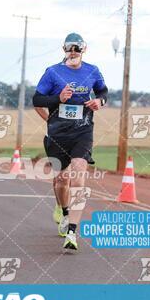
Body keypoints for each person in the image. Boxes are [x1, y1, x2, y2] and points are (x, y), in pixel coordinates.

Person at [32, 33, 108, 251]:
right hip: (58, 133)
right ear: (64, 50)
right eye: (69, 48)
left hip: (83, 131)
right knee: (61, 179)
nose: (73, 51)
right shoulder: (53, 72)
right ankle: (62, 209)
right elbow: (37, 99)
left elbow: (103, 90)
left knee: (78, 174)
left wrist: (99, 100)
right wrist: (58, 99)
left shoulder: (92, 70)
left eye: (77, 48)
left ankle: (72, 231)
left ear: (84, 49)